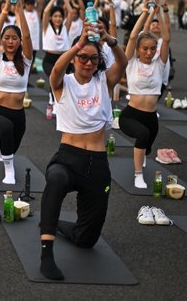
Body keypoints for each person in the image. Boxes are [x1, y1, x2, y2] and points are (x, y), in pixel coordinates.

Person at [39, 20, 126, 280]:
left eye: (93, 59)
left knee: (86, 240)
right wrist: (79, 43)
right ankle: (46, 253)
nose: (88, 63)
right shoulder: (62, 83)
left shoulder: (103, 82)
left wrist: (108, 39)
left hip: (97, 163)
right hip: (68, 158)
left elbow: (122, 64)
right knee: (55, 180)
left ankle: (58, 224)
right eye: (83, 58)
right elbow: (56, 68)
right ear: (75, 57)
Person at [0, 0, 32, 184]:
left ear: (19, 42)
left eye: (14, 38)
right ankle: (9, 171)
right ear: (3, 41)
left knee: (10, 142)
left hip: (18, 114)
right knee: (6, 130)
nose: (10, 41)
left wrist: (19, 8)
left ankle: (1, 148)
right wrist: (5, 10)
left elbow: (28, 37)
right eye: (7, 38)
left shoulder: (26, 61)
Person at [119, 0, 169, 188]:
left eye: (152, 49)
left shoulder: (159, 64)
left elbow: (166, 39)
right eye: (145, 49)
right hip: (131, 114)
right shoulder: (132, 62)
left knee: (146, 145)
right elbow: (132, 37)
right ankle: (138, 175)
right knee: (142, 135)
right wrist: (145, 11)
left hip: (151, 117)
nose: (149, 52)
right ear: (138, 50)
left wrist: (159, 12)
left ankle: (142, 156)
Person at [42, 0, 74, 118]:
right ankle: (51, 103)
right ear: (51, 18)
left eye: (60, 16)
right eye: (55, 16)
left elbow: (71, 13)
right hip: (49, 59)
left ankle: (59, 105)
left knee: (63, 83)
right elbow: (45, 12)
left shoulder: (65, 28)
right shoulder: (47, 27)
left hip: (63, 59)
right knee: (53, 79)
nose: (58, 18)